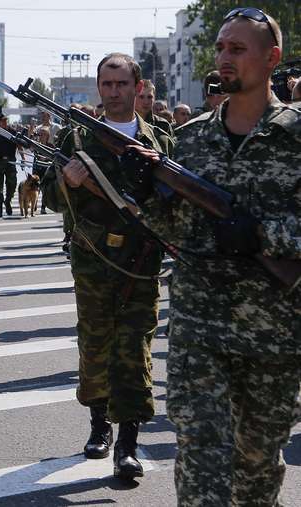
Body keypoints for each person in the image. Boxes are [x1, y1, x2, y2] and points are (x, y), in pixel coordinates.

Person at [130, 9, 301, 505]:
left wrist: (263, 234)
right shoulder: (190, 139)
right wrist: (145, 197)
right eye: (221, 47)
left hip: (273, 331)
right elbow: (176, 230)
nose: (224, 58)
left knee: (257, 460)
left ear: (272, 59)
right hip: (198, 326)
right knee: (201, 450)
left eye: (237, 49)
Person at [44, 52, 172, 481]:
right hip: (94, 261)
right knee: (96, 343)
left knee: (135, 348)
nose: (114, 92)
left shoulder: (159, 139)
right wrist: (68, 181)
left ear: (138, 88)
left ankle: (128, 444)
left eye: (121, 84)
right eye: (107, 84)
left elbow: (173, 202)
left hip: (141, 263)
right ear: (98, 88)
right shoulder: (77, 139)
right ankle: (99, 425)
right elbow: (48, 194)